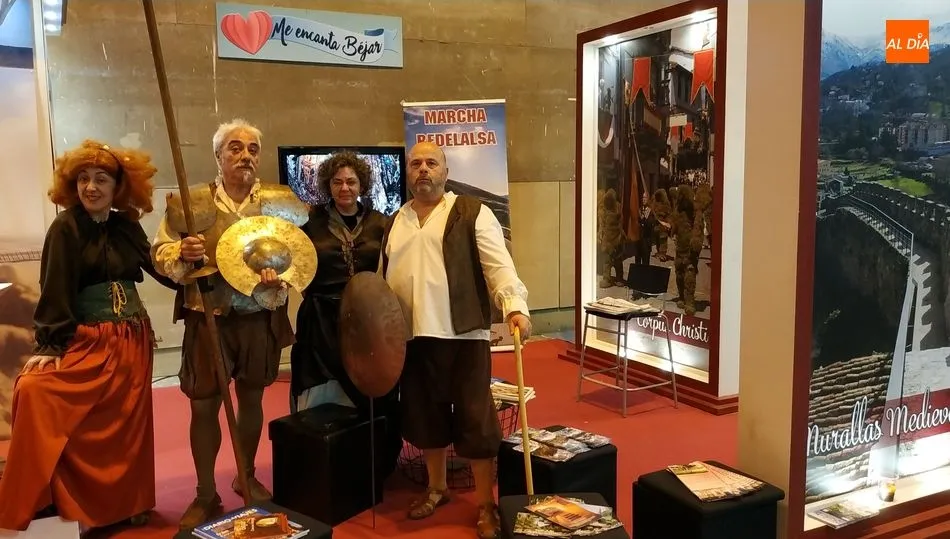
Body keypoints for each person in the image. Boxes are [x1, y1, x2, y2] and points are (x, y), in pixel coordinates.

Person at [0, 140, 177, 532]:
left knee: (126, 428)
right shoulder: (65, 227)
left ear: (119, 186)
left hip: (132, 339)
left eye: (101, 179)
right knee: (34, 390)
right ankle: (56, 502)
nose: (91, 187)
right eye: (83, 179)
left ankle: (127, 505)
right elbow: (55, 288)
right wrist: (51, 344)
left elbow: (159, 269)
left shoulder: (126, 225)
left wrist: (186, 263)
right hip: (89, 340)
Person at [381, 141, 532, 539]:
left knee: (475, 420)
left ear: (446, 173)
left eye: (431, 163)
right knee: (425, 417)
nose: (423, 169)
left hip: (463, 336)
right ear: (407, 172)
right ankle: (437, 488)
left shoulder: (472, 212)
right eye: (416, 163)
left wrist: (514, 306)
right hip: (412, 337)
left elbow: (498, 266)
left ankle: (485, 504)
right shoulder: (396, 221)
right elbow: (382, 282)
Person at [151, 118, 297, 529]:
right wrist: (181, 251)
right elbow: (159, 252)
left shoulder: (278, 201)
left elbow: (298, 255)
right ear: (218, 156)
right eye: (235, 147)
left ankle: (245, 474)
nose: (245, 156)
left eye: (252, 149)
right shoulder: (190, 201)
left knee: (252, 399)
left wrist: (280, 274)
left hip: (258, 315)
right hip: (207, 315)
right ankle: (204, 492)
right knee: (203, 405)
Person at [289, 150, 403, 476]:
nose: (344, 188)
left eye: (351, 181)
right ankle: (328, 469)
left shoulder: (382, 224)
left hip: (368, 323)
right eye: (337, 182)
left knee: (372, 388)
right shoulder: (309, 225)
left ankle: (373, 467)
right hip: (321, 324)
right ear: (328, 185)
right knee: (326, 393)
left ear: (361, 185)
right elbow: (295, 269)